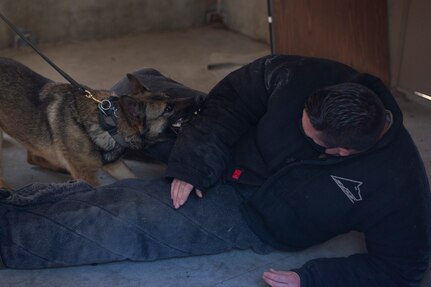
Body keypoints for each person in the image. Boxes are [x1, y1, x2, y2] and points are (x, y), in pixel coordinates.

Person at [0, 55, 430, 287]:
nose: (302, 136)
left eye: (313, 140)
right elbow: (238, 96)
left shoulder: (398, 186)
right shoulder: (308, 77)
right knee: (136, 99)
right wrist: (193, 163)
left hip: (250, 211)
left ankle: (9, 228)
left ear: (338, 152)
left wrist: (314, 279)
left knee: (121, 217)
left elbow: (402, 270)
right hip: (230, 148)